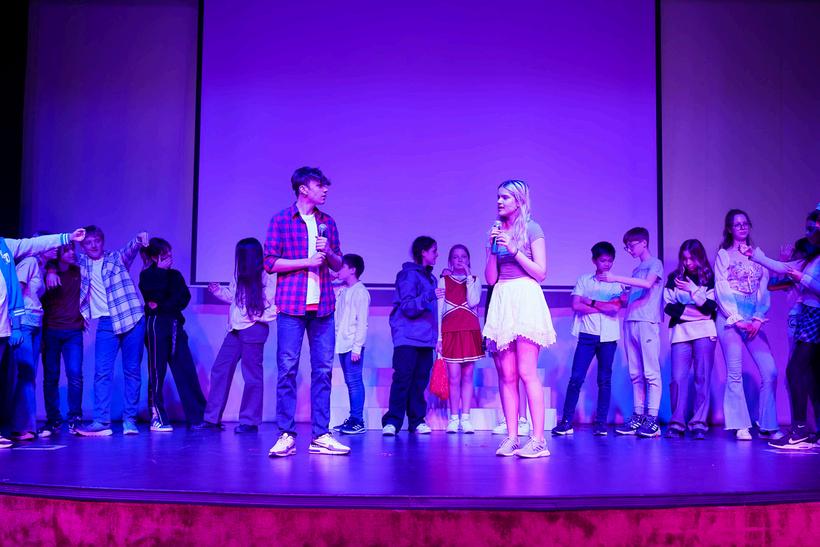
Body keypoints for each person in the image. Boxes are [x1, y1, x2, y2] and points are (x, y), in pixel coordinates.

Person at [265, 167, 350, 457]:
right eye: (319, 185)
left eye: (325, 186)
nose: (325, 190)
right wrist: (306, 261)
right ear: (303, 189)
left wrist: (330, 253)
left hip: (323, 307)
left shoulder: (328, 222)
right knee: (287, 370)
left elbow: (338, 264)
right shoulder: (281, 220)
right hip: (291, 306)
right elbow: (270, 262)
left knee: (323, 371)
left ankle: (321, 435)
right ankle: (286, 435)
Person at [484, 180, 556, 458]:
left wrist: (514, 250)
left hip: (525, 295)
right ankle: (513, 437)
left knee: (527, 371)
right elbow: (491, 278)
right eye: (498, 197)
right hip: (502, 296)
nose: (499, 201)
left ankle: (538, 440)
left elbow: (541, 272)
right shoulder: (495, 231)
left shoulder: (532, 228)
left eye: (505, 197)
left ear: (519, 201)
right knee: (507, 374)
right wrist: (493, 248)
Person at [1, 229, 85, 447]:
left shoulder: (42, 266)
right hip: (24, 322)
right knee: (25, 374)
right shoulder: (29, 262)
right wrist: (16, 325)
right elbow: (15, 291)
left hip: (35, 323)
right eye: (50, 246)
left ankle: (25, 426)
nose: (55, 249)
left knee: (28, 374)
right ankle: (22, 427)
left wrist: (50, 267)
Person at [744, 208, 820, 449]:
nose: (807, 233)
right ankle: (810, 430)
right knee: (810, 373)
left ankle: (800, 431)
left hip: (815, 316)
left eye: (812, 228)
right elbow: (782, 269)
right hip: (808, 314)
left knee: (796, 370)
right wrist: (755, 255)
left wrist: (802, 278)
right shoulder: (812, 258)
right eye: (807, 228)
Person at [67, 226, 147, 437]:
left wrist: (139, 238)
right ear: (83, 246)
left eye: (97, 241)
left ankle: (130, 421)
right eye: (88, 242)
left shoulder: (116, 258)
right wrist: (49, 270)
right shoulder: (81, 262)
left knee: (132, 370)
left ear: (102, 242)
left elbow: (131, 249)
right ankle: (101, 421)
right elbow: (60, 257)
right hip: (106, 323)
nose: (93, 245)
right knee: (102, 372)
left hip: (131, 318)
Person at [713, 209, 779, 441]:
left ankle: (767, 423)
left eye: (745, 223)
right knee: (734, 372)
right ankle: (740, 424)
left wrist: (758, 317)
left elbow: (764, 287)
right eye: (736, 224)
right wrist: (736, 318)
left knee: (770, 371)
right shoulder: (724, 255)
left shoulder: (757, 254)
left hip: (753, 319)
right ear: (729, 229)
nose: (742, 227)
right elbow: (721, 288)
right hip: (730, 319)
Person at [203, 238, 277, 432]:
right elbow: (235, 297)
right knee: (220, 369)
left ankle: (249, 421)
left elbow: (274, 306)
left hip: (254, 328)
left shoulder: (268, 275)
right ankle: (212, 419)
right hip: (235, 329)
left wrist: (256, 315)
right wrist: (218, 291)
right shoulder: (241, 274)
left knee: (251, 375)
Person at [553, 241, 623, 437]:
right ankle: (566, 422)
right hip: (587, 335)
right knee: (576, 378)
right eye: (603, 260)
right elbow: (576, 305)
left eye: (610, 261)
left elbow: (614, 308)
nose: (607, 264)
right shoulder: (584, 280)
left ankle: (601, 424)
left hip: (608, 337)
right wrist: (603, 306)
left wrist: (590, 301)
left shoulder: (617, 283)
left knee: (604, 380)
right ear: (594, 261)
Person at [139, 238, 207, 432]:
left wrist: (161, 305)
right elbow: (151, 295)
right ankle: (158, 417)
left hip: (175, 324)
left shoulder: (175, 275)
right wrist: (160, 273)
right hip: (156, 326)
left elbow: (183, 298)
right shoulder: (148, 275)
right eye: (164, 254)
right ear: (154, 257)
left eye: (170, 254)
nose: (169, 258)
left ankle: (197, 416)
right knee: (157, 372)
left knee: (186, 369)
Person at [602, 227, 664, 438]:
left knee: (651, 373)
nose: (629, 250)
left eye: (631, 245)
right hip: (630, 321)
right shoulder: (636, 270)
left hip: (647, 321)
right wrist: (621, 296)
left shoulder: (655, 264)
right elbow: (632, 295)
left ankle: (652, 419)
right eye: (626, 247)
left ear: (644, 243)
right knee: (635, 373)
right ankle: (638, 417)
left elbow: (647, 284)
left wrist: (616, 278)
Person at [382, 236, 442, 436]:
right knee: (403, 379)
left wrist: (436, 338)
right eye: (434, 251)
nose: (437, 255)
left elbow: (433, 312)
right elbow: (408, 307)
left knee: (420, 382)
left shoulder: (431, 278)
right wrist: (430, 295)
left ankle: (416, 420)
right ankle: (393, 421)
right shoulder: (408, 275)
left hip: (425, 339)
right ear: (423, 252)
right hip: (407, 337)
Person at [663, 239, 718, 440]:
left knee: (702, 378)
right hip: (680, 333)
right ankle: (677, 423)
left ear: (700, 257)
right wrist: (697, 311)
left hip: (705, 332)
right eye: (684, 258)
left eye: (692, 258)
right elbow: (669, 307)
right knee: (678, 379)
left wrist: (693, 291)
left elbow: (711, 308)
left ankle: (698, 423)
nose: (688, 263)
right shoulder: (674, 278)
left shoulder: (710, 277)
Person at [39, 242, 85, 436]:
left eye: (73, 249)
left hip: (73, 331)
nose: (72, 253)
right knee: (51, 376)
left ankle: (75, 419)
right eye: (67, 250)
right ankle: (53, 421)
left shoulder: (78, 271)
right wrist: (50, 269)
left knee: (75, 375)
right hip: (51, 330)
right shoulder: (47, 273)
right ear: (58, 253)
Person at [438, 244, 483, 434]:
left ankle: (465, 418)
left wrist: (469, 276)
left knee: (467, 376)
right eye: (455, 257)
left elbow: (473, 301)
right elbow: (439, 310)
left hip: (470, 331)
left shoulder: (475, 280)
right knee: (454, 377)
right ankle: (453, 417)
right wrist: (439, 338)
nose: (459, 260)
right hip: (450, 331)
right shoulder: (443, 280)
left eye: (463, 256)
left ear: (468, 259)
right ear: (450, 260)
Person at [331, 253, 370, 435]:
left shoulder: (360, 292)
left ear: (352, 270)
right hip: (342, 343)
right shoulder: (344, 290)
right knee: (350, 382)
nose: (338, 270)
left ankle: (358, 420)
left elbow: (362, 322)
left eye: (342, 267)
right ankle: (353, 418)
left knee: (354, 382)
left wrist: (357, 347)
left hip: (353, 345)